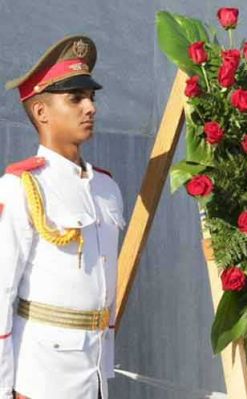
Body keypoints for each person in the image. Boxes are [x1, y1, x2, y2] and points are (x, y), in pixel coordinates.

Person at [0, 35, 125, 399]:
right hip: (43, 379)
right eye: (75, 99)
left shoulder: (106, 188)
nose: (90, 107)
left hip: (95, 374)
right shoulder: (20, 187)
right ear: (41, 112)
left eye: (91, 97)